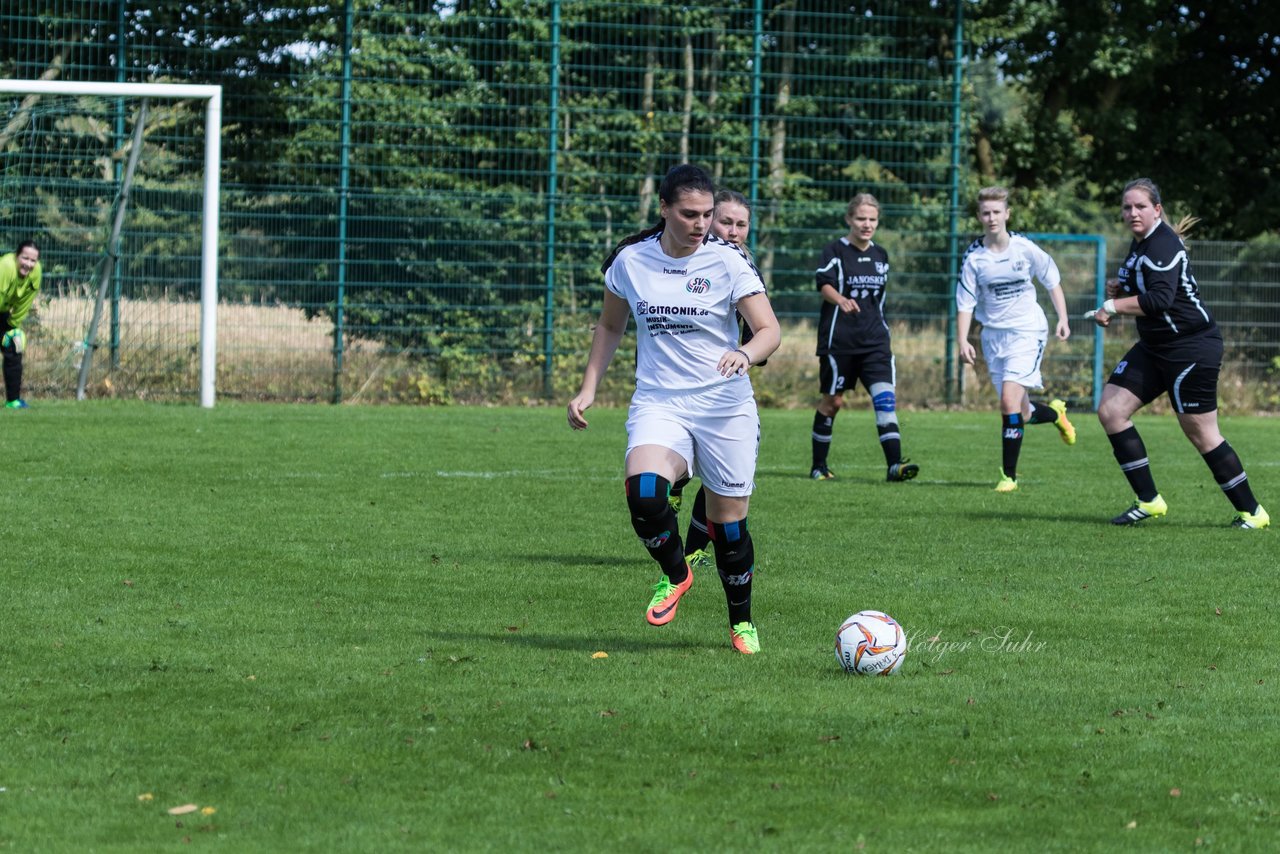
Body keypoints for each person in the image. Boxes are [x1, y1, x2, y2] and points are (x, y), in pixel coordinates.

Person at [567, 164, 781, 655]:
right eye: (689, 214)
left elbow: (769, 331)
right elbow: (609, 327)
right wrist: (588, 388)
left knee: (728, 527)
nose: (701, 224)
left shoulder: (728, 262)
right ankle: (677, 574)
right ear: (663, 209)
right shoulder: (631, 261)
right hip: (660, 401)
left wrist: (746, 353)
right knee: (644, 494)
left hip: (724, 406)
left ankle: (741, 622)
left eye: (707, 214)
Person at [1089, 178, 1269, 528]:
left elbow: (1160, 300)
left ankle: (1253, 512)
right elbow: (1145, 287)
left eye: (1140, 206)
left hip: (1191, 347)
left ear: (1157, 209)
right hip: (1156, 346)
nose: (1132, 213)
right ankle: (1149, 501)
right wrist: (1121, 288)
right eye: (1127, 207)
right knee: (1111, 410)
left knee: (1200, 432)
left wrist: (1111, 305)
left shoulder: (1162, 244)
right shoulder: (1141, 243)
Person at [955, 186, 1076, 492]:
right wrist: (962, 340)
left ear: (1007, 214)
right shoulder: (974, 258)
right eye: (986, 212)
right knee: (1021, 412)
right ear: (979, 216)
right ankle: (1056, 414)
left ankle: (1009, 476)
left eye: (997, 212)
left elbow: (1052, 279)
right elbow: (965, 303)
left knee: (1007, 400)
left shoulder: (1023, 248)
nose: (992, 217)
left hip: (1027, 330)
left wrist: (1063, 318)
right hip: (993, 337)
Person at [669, 189, 755, 575]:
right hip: (676, 391)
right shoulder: (680, 256)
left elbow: (762, 328)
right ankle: (678, 534)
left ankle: (693, 551)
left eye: (741, 224)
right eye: (726, 222)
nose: (733, 231)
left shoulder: (740, 264)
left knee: (721, 478)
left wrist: (750, 350)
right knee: (683, 472)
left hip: (722, 388)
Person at [810, 193, 919, 482]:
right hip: (839, 343)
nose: (866, 224)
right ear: (849, 219)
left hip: (876, 343)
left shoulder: (881, 254)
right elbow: (823, 284)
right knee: (833, 402)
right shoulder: (835, 251)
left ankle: (895, 466)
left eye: (872, 219)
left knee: (885, 401)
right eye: (861, 218)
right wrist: (841, 300)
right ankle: (818, 466)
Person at [0, 241, 42, 409]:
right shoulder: (5, 267)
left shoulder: (36, 272)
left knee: (15, 342)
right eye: (25, 258)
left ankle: (13, 401)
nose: (28, 264)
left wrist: (11, 328)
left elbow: (24, 304)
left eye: (33, 260)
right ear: (16, 256)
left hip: (2, 313)